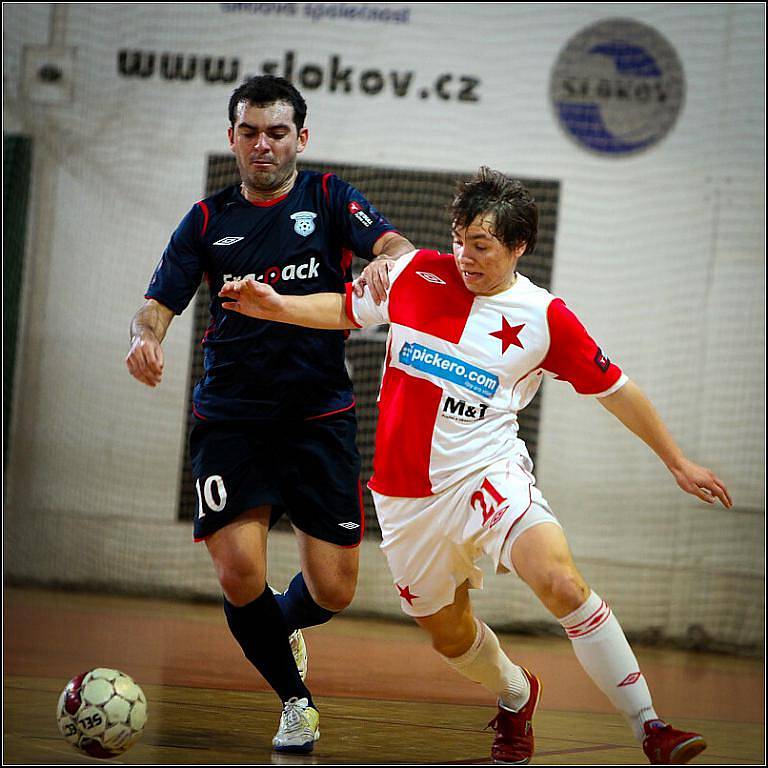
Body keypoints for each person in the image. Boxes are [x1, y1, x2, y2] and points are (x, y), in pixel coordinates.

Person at [218, 167, 733, 765]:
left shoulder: (544, 317)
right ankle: (516, 693)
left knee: (561, 581)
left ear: (518, 247)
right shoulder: (413, 274)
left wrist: (677, 461)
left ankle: (651, 726)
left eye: (481, 245)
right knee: (449, 633)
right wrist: (276, 305)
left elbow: (616, 388)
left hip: (489, 475)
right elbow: (344, 309)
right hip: (406, 500)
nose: (464, 255)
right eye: (460, 238)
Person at [125, 75, 414, 754]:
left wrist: (388, 266)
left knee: (336, 590)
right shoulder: (205, 219)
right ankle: (295, 703)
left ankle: (280, 626)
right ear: (232, 138)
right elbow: (158, 301)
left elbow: (396, 248)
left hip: (319, 416)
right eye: (250, 131)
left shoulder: (330, 198)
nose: (263, 144)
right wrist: (144, 338)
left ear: (300, 139)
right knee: (237, 571)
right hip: (231, 418)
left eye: (277, 132)